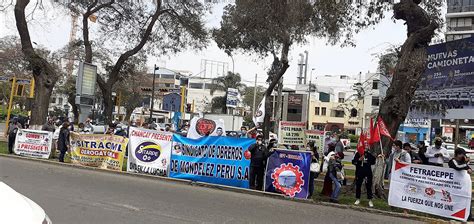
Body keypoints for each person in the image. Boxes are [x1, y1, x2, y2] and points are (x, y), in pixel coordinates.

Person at [448, 148, 472, 221]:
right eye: (462, 154)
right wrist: (466, 163)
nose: (463, 156)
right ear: (457, 154)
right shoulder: (452, 161)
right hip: (454, 185)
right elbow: (457, 167)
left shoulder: (462, 162)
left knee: (466, 199)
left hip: (463, 185)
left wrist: (469, 168)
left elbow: (468, 168)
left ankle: (468, 216)